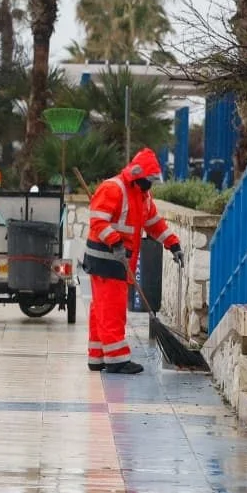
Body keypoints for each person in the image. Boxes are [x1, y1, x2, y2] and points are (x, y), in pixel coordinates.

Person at [82, 147, 183, 374]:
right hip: (106, 259)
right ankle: (117, 360)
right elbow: (98, 222)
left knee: (101, 309)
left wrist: (173, 244)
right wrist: (116, 242)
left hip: (118, 260)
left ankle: (97, 357)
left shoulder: (142, 196)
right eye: (148, 179)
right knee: (112, 309)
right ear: (137, 176)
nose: (151, 184)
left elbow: (155, 224)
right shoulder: (113, 188)